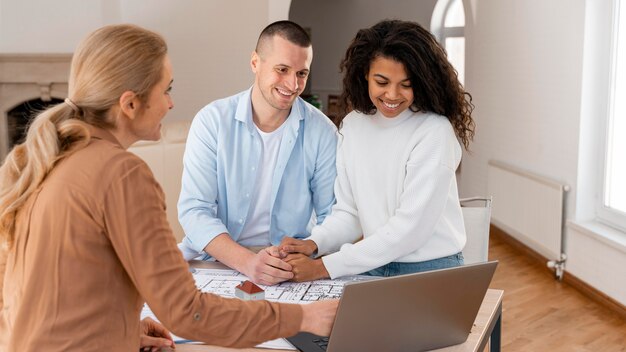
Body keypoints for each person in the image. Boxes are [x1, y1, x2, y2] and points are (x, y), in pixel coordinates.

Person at [0, 24, 337, 352]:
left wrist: (121, 329)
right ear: (130, 104)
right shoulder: (123, 175)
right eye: (167, 90)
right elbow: (188, 311)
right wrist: (303, 316)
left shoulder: (32, 160)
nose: (171, 104)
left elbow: (52, 287)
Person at [279, 19, 475, 281]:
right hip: (371, 262)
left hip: (430, 269)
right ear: (365, 75)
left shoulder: (433, 132)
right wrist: (314, 244)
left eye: (406, 84)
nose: (392, 95)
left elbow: (409, 231)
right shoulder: (353, 125)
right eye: (381, 81)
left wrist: (323, 267)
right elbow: (349, 213)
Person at [177, 20, 337, 285]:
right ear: (255, 63)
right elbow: (195, 210)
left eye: (301, 73)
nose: (293, 84)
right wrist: (250, 263)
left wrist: (310, 248)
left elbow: (331, 215)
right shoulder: (211, 121)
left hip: (289, 267)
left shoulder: (323, 132)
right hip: (217, 260)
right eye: (282, 69)